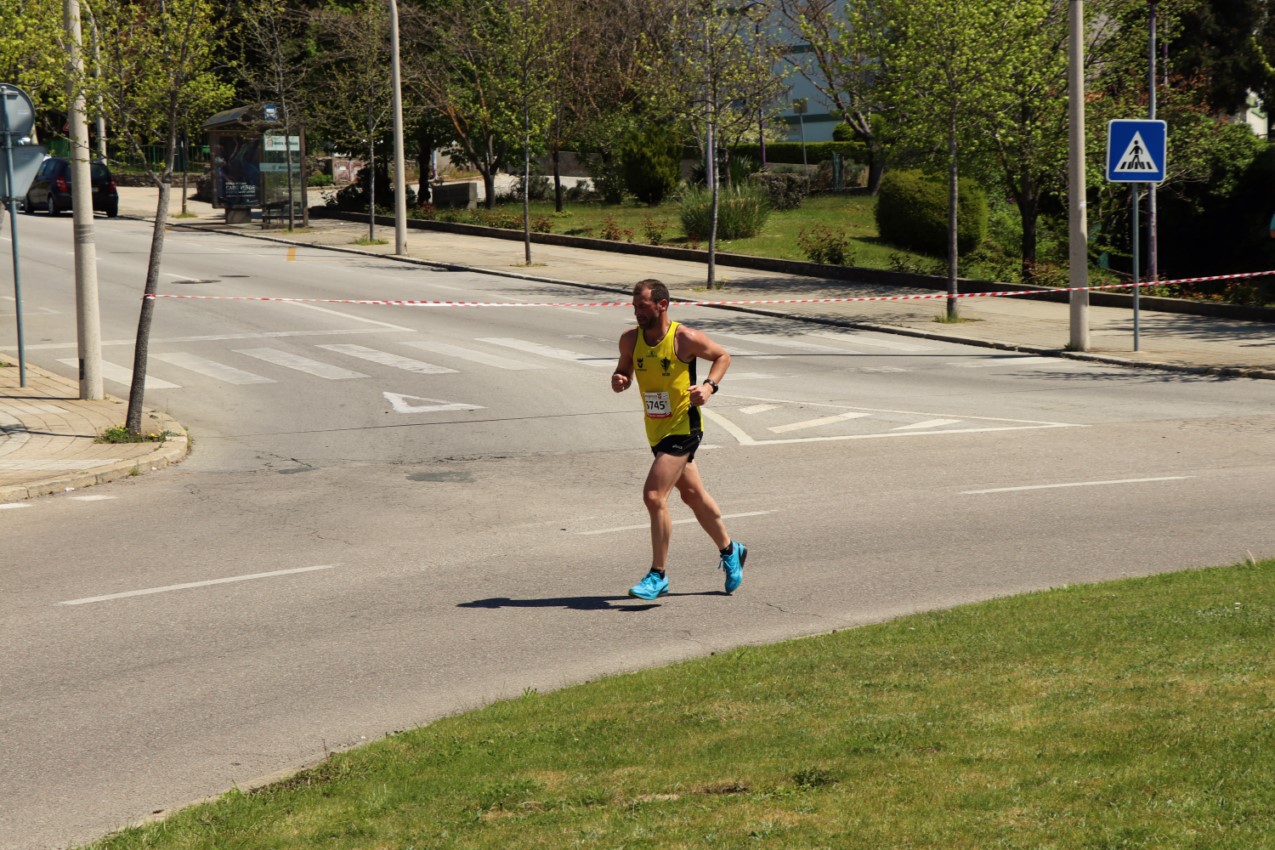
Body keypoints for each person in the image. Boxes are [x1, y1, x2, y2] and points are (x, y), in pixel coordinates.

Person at [611, 279, 747, 600]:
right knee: (692, 495)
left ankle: (658, 575)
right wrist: (620, 379)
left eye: (642, 306)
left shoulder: (683, 338)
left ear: (662, 305)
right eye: (634, 306)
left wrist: (709, 387)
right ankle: (731, 550)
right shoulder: (630, 340)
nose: (637, 312)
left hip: (684, 427)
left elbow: (722, 356)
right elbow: (624, 372)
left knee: (654, 496)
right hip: (656, 430)